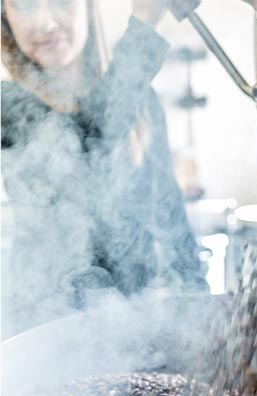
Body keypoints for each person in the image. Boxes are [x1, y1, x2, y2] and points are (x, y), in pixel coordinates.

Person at [1, 0, 209, 340]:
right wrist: (144, 21)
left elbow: (173, 222)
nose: (44, 21)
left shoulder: (142, 100)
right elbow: (97, 141)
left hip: (138, 327)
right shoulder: (9, 109)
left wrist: (199, 312)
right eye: (23, 4)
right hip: (46, 333)